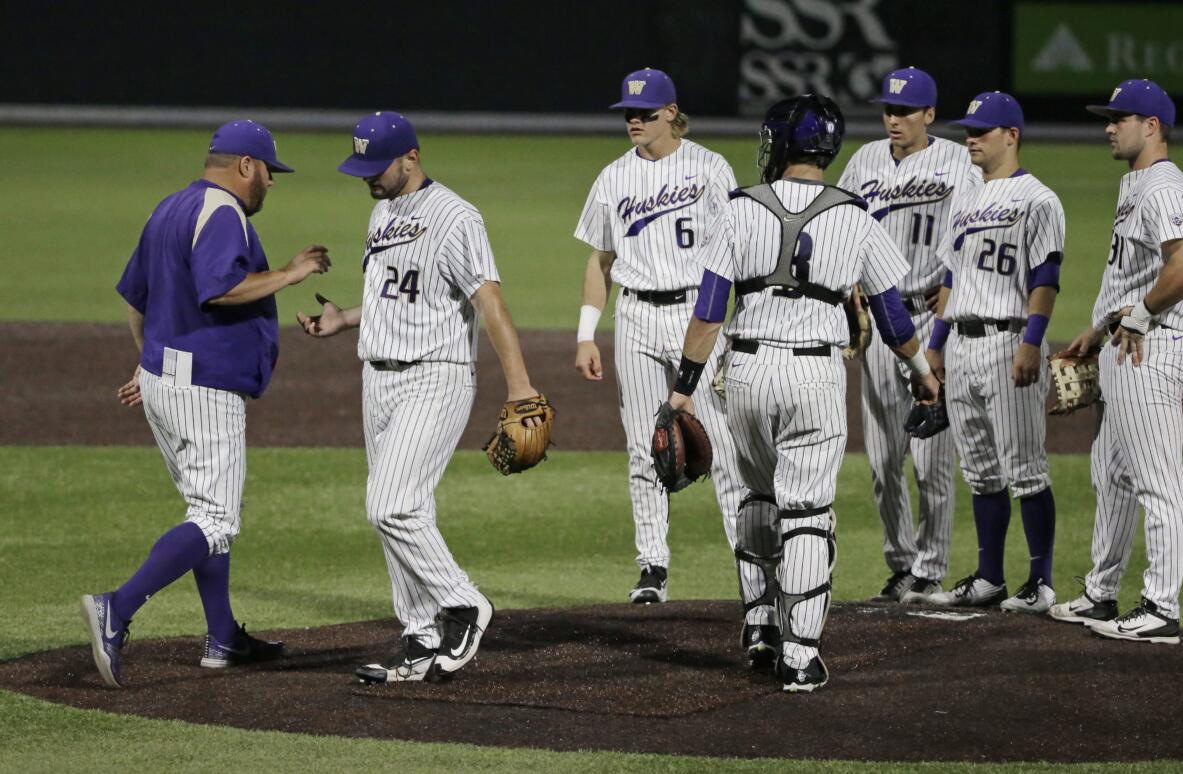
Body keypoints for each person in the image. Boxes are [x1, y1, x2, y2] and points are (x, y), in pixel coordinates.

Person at [664, 94, 941, 691]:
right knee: (808, 511)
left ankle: (761, 622)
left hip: (746, 371)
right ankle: (800, 653)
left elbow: (710, 311)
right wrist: (922, 371)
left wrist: (684, 389)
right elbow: (893, 319)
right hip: (815, 375)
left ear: (783, 144)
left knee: (758, 499)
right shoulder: (856, 215)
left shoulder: (739, 210)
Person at [81, 120, 331, 688]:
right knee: (216, 519)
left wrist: (149, 363)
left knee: (204, 511)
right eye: (269, 171)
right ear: (246, 166)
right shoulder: (222, 212)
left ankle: (222, 637)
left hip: (165, 381)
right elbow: (219, 288)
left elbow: (136, 299)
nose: (270, 182)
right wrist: (291, 273)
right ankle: (115, 609)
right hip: (203, 388)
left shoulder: (168, 208)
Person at [297, 111, 545, 682]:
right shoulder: (381, 210)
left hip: (435, 375)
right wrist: (346, 320)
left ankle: (465, 605)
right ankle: (419, 634)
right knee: (403, 512)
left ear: (411, 156)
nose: (366, 177)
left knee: (391, 504)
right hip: (376, 378)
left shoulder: (457, 217)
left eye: (374, 165)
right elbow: (398, 296)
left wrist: (521, 385)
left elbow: (490, 305)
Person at [573, 68, 744, 604]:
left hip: (698, 313)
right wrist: (585, 334)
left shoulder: (711, 168)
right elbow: (600, 261)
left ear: (672, 112)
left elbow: (741, 248)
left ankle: (750, 559)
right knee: (646, 446)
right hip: (636, 318)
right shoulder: (612, 177)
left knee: (722, 446)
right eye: (628, 112)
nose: (634, 121)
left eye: (644, 112)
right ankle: (652, 567)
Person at [1049, 80, 1183, 645]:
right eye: (1108, 118)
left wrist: (1138, 316)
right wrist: (1099, 329)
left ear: (1153, 126)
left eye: (1121, 118)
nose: (1109, 126)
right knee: (1110, 476)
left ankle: (1161, 608)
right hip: (1125, 343)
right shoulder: (1136, 183)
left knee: (1156, 482)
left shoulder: (1164, 186)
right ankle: (1100, 592)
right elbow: (1134, 277)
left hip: (1150, 349)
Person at [837, 66, 981, 605]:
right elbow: (840, 230)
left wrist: (948, 315)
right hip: (878, 321)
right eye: (888, 110)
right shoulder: (864, 161)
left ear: (929, 114)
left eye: (905, 111)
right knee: (882, 460)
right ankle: (900, 564)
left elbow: (968, 237)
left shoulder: (955, 163)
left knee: (931, 461)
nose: (894, 119)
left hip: (928, 317)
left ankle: (932, 568)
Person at [924, 93, 1065, 614]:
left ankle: (1041, 582)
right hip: (960, 344)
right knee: (981, 470)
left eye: (982, 131)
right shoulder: (964, 199)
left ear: (1012, 135)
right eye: (969, 130)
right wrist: (935, 347)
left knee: (1026, 467)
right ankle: (989, 579)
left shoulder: (1039, 199)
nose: (971, 138)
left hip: (1009, 342)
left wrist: (1032, 339)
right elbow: (950, 278)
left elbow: (1045, 275)